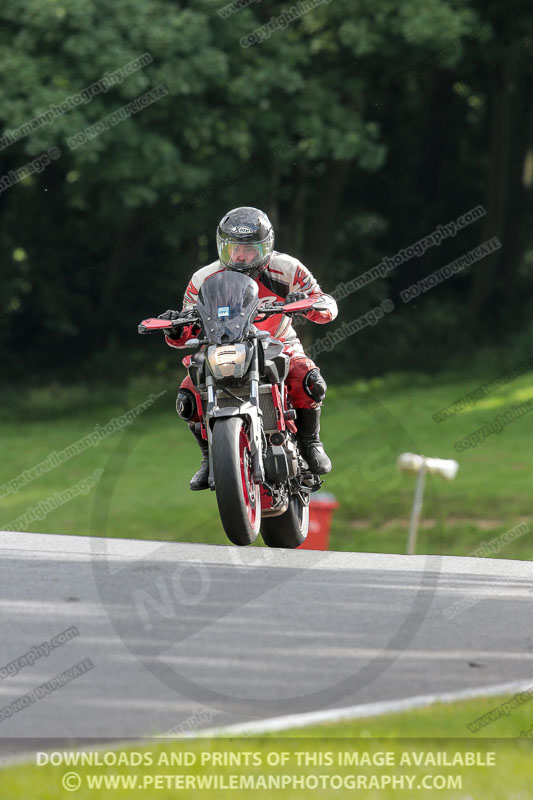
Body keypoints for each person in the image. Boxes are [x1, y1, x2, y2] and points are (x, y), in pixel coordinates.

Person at [158, 206, 338, 490]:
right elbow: (184, 332)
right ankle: (209, 457)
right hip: (221, 345)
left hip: (279, 343)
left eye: (250, 249)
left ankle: (310, 443)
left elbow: (326, 306)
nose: (240, 256)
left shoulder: (287, 268)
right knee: (187, 397)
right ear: (222, 247)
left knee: (309, 380)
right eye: (234, 248)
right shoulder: (203, 278)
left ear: (266, 247)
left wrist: (306, 303)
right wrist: (175, 327)